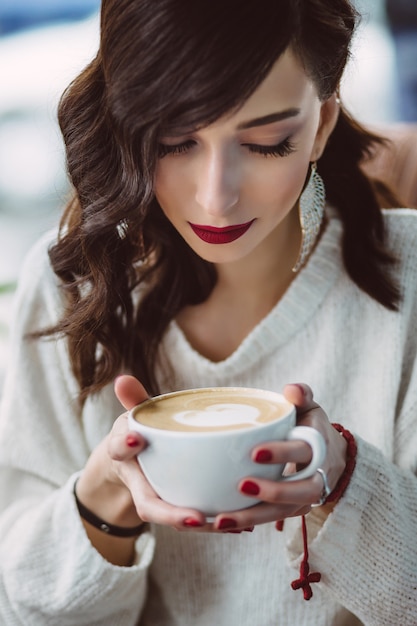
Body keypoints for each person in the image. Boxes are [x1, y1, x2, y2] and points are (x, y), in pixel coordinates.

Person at [0, 0, 416, 624]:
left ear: (322, 126)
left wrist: (348, 479)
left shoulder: (408, 278)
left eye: (268, 143)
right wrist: (107, 493)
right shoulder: (71, 282)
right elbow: (27, 606)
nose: (215, 195)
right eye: (174, 140)